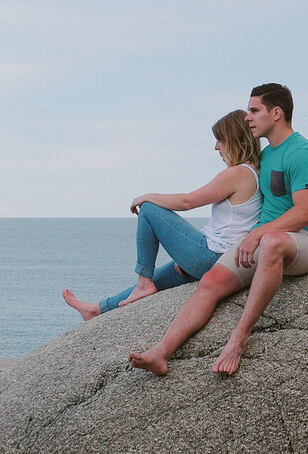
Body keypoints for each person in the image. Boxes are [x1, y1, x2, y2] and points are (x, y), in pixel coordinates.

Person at [130, 82, 308, 377]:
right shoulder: (268, 154)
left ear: (276, 113)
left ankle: (237, 340)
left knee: (272, 242)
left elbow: (305, 212)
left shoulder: (301, 154)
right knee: (209, 282)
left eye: (254, 110)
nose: (247, 117)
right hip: (262, 240)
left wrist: (258, 233)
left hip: (306, 241)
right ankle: (160, 353)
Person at [62, 111, 262, 320]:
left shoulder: (238, 173)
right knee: (158, 279)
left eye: (220, 140)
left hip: (212, 256)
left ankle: (143, 282)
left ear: (234, 139)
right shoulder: (255, 172)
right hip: (221, 257)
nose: (216, 147)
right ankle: (96, 309)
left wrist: (146, 197)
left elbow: (189, 201)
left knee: (149, 210)